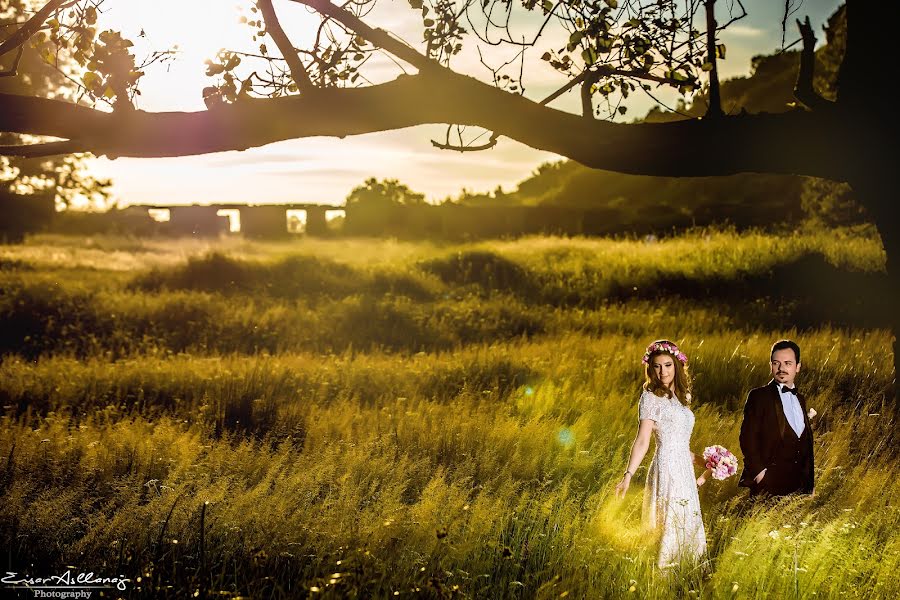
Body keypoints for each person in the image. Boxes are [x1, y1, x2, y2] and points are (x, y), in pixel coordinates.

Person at [615, 340, 707, 569]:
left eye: (667, 365)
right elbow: (643, 440)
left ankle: (687, 572)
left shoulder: (682, 398)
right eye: (657, 366)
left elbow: (681, 445)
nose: (663, 371)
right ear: (651, 369)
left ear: (676, 365)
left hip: (684, 470)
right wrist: (627, 475)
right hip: (666, 468)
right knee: (668, 520)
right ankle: (662, 575)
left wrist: (706, 462)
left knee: (687, 519)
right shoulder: (650, 397)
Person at [738, 339, 815, 497]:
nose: (781, 368)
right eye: (776, 363)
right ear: (770, 365)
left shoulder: (801, 399)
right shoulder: (759, 396)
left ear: (797, 367)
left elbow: (806, 443)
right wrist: (760, 474)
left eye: (787, 363)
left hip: (800, 487)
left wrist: (810, 484)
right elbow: (747, 438)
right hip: (768, 485)